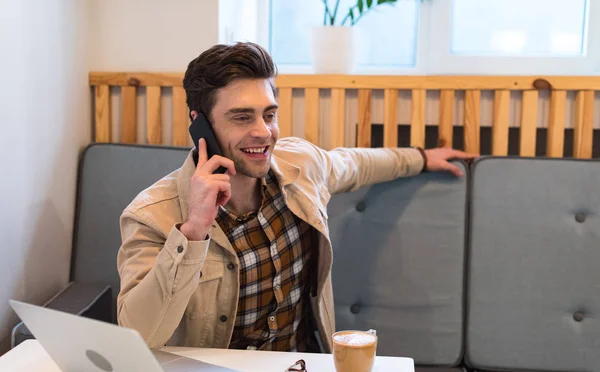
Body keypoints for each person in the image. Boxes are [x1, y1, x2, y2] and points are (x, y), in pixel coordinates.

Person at [116, 42, 477, 353]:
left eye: (269, 115)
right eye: (242, 117)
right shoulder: (151, 216)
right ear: (200, 124)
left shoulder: (300, 166)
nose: (263, 132)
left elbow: (355, 164)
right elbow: (138, 337)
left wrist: (421, 158)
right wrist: (193, 230)